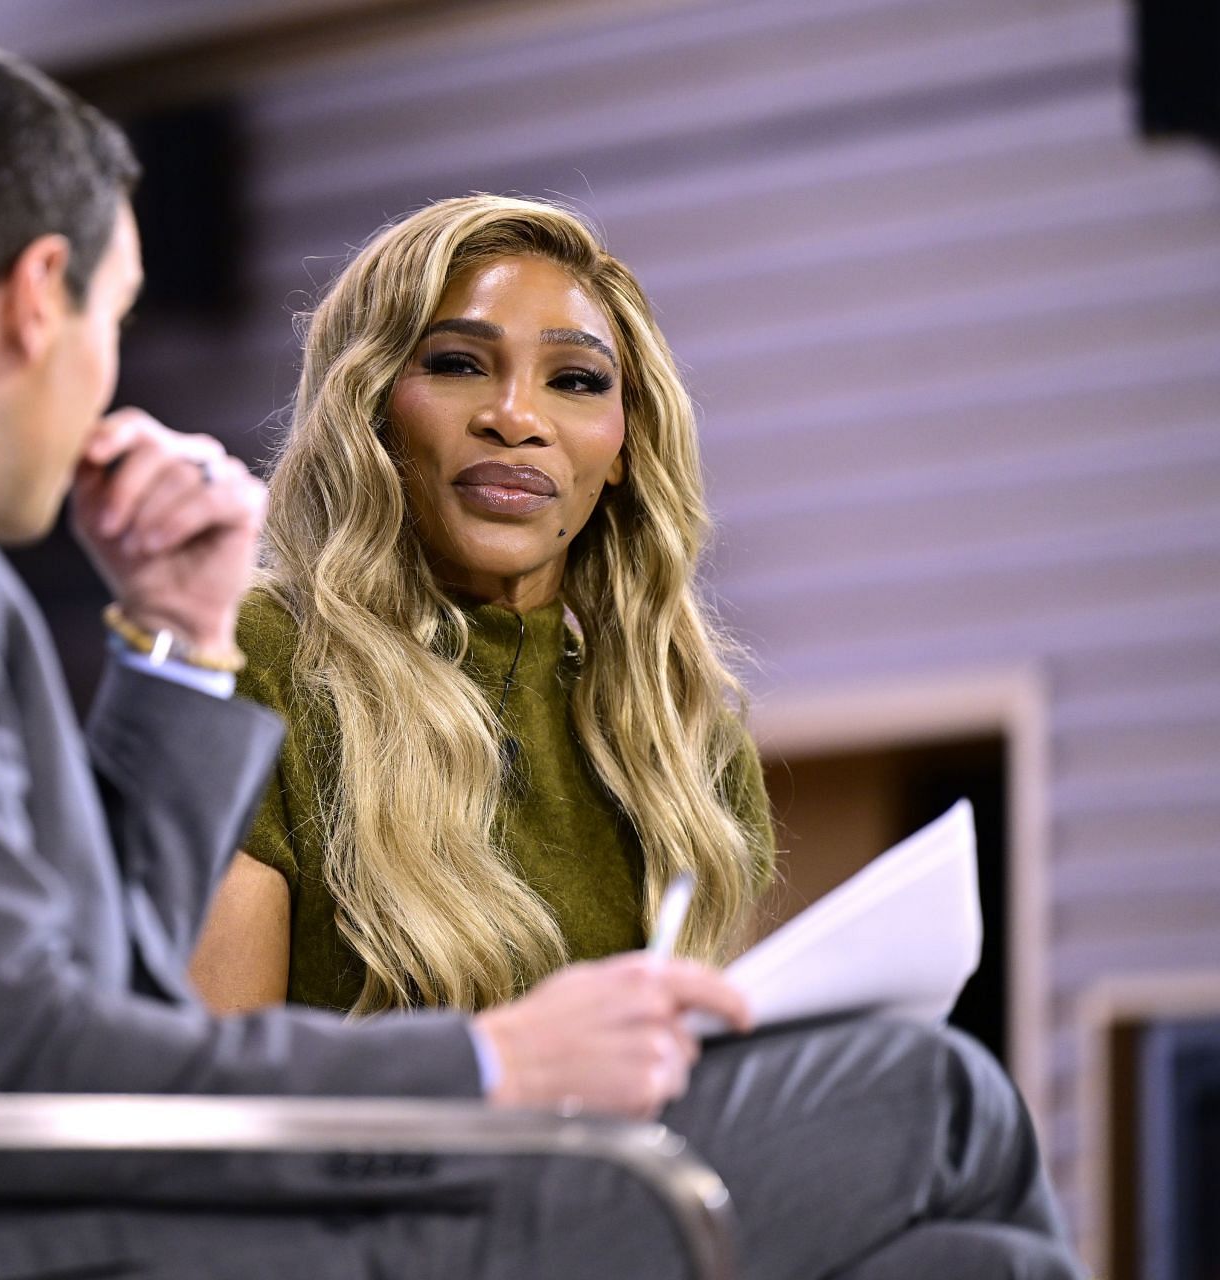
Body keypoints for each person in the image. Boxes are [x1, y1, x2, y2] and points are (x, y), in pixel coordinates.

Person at [0, 43, 1071, 1279]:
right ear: (42, 294)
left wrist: (179, 648)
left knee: (971, 1261)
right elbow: (27, 1059)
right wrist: (498, 1063)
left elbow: (53, 986)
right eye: (118, 312)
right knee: (938, 1094)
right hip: (90, 1245)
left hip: (71, 1213)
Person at [191, 194, 1085, 1277]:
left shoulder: (677, 729)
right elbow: (209, 1106)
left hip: (616, 1208)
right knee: (943, 1088)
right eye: (462, 364)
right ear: (373, 405)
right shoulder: (259, 652)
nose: (517, 416)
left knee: (986, 1262)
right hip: (373, 1236)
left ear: (620, 450)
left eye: (575, 380)